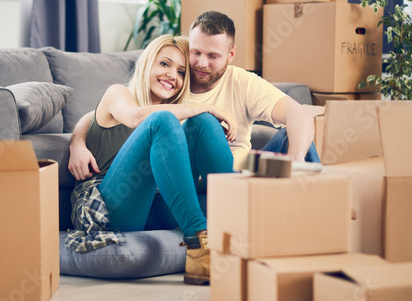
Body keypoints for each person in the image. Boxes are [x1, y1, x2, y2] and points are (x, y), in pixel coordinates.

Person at [66, 34, 236, 285]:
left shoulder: (173, 117)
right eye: (164, 64)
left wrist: (204, 113)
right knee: (165, 119)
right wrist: (76, 142)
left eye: (180, 72)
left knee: (203, 122)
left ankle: (236, 221)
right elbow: (136, 117)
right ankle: (198, 243)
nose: (172, 76)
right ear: (147, 63)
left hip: (155, 205)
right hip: (117, 207)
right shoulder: (118, 94)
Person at [188, 11, 319, 171]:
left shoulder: (241, 81)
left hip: (239, 174)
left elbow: (300, 115)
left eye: (212, 56)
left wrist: (296, 158)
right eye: (196, 52)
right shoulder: (172, 81)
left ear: (231, 55)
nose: (202, 63)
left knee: (288, 137)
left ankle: (313, 192)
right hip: (190, 178)